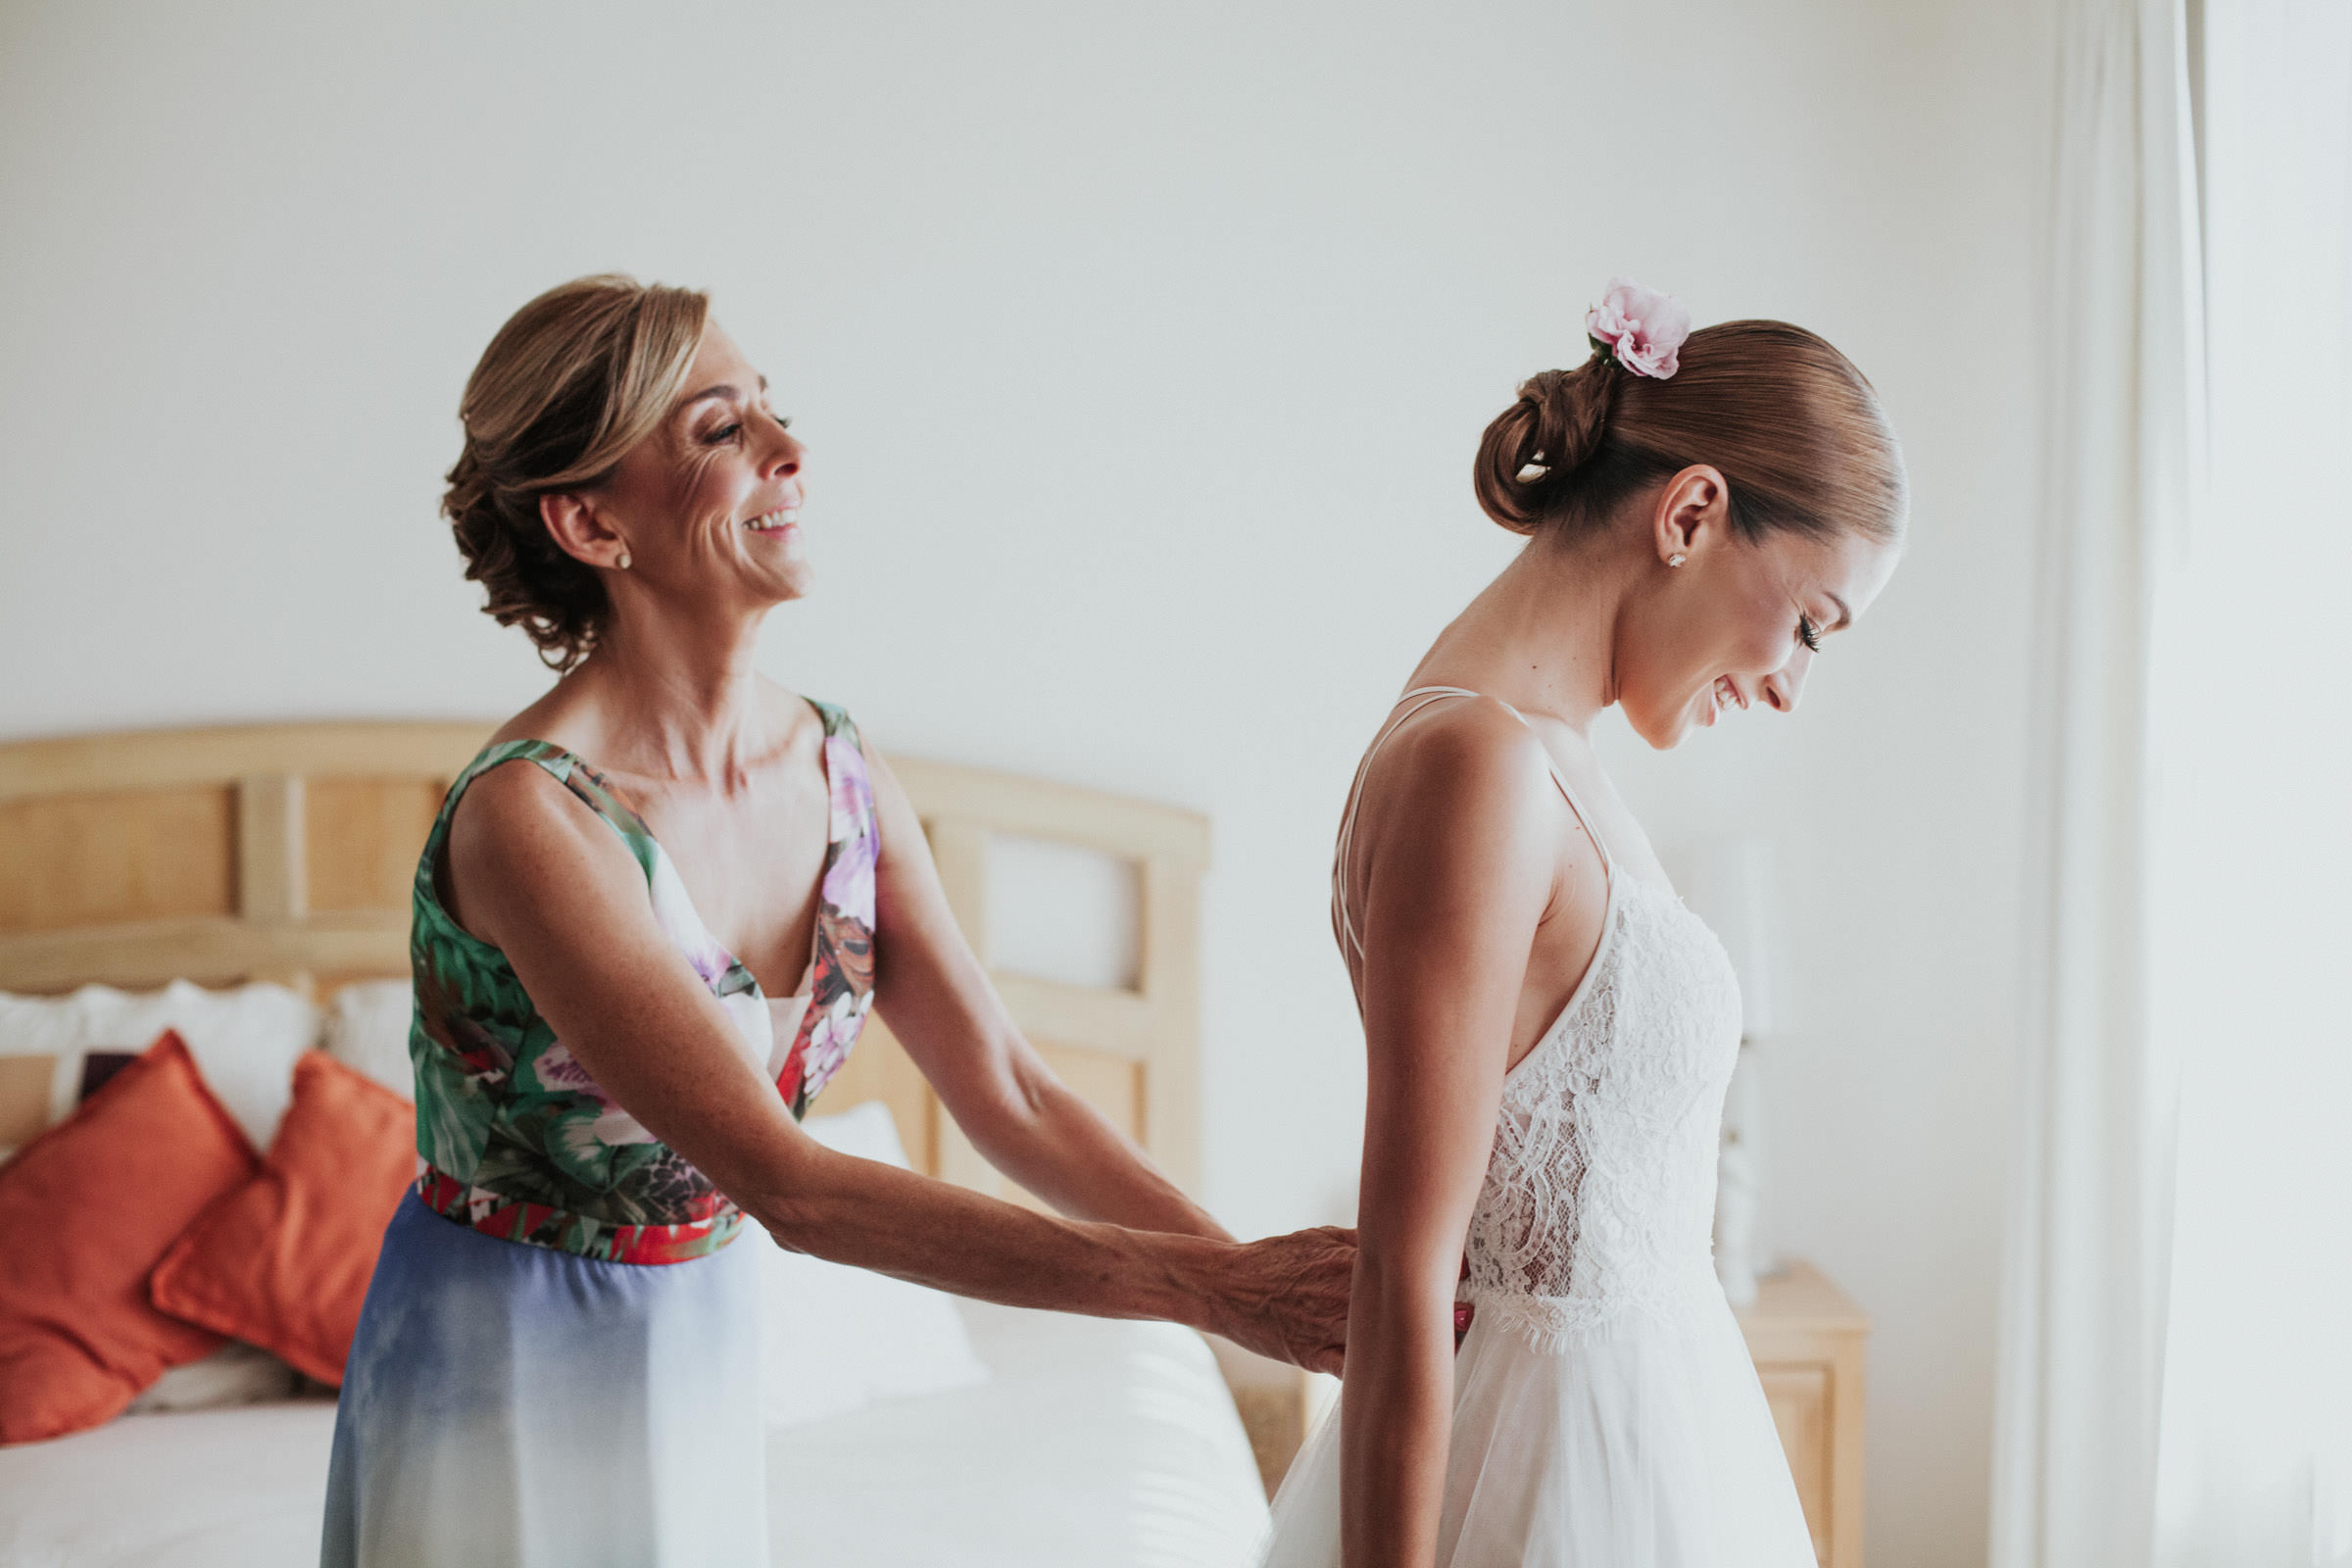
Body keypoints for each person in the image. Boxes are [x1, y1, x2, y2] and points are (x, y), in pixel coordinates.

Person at [320, 274, 1354, 1568]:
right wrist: (1205, 1291)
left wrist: (1275, 1292)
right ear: (590, 521)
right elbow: (791, 1188)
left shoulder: (841, 774)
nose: (790, 451)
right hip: (501, 1384)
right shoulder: (533, 822)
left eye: (771, 411)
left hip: (697, 1348)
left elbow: (1015, 1098)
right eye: (718, 430)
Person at [1257, 280, 1905, 1567]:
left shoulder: (1548, 759)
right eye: (1810, 628)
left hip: (1641, 1461)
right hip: (1540, 1483)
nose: (1786, 688)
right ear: (1693, 511)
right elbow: (1404, 1277)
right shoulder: (1478, 770)